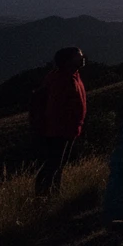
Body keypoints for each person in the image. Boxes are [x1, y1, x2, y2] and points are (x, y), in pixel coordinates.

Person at [32, 46, 88, 196]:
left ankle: (53, 193)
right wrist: (61, 128)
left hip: (69, 129)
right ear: (68, 60)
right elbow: (55, 107)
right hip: (59, 130)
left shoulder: (73, 75)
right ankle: (43, 195)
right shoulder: (61, 79)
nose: (82, 58)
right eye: (78, 56)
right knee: (54, 164)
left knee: (59, 163)